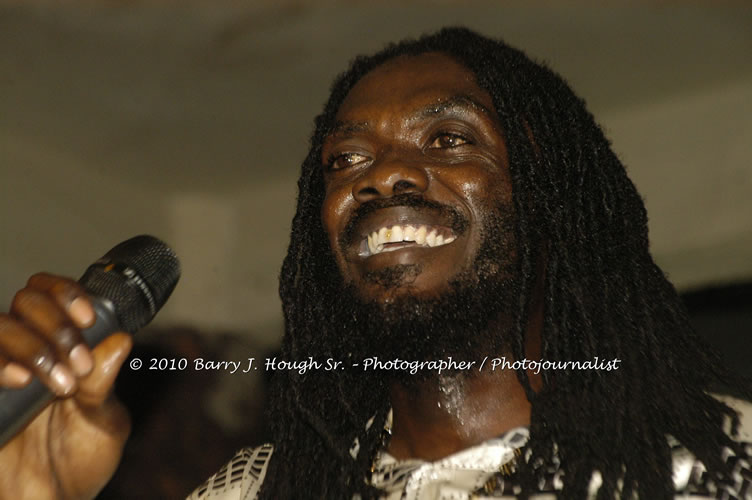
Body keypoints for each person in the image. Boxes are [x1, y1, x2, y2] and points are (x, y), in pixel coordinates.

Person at [0, 27, 749, 499]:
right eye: (347, 159)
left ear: (552, 199)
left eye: (449, 139)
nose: (381, 175)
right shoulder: (256, 493)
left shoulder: (716, 468)